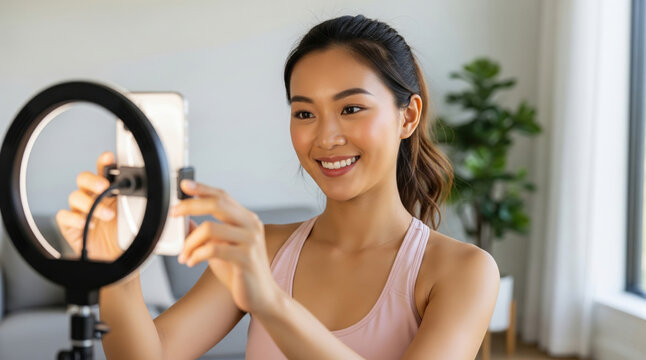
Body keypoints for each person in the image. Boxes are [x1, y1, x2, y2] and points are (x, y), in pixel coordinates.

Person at [56, 14, 499, 360]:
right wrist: (118, 265)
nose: (325, 137)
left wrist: (269, 302)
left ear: (408, 116)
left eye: (351, 108)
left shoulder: (463, 272)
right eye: (304, 113)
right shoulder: (263, 250)